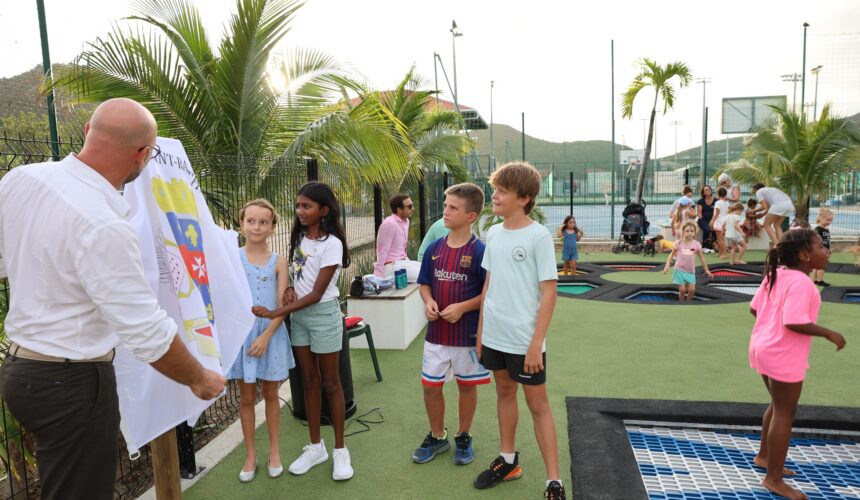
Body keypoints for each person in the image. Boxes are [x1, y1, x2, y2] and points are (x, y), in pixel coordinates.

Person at [0, 98, 225, 500]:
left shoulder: (22, 179)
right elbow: (147, 333)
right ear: (141, 155)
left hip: (21, 370)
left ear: (88, 128)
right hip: (71, 381)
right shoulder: (103, 224)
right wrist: (200, 378)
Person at [474, 162, 565, 500]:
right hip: (494, 336)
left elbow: (549, 292)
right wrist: (481, 332)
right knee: (504, 393)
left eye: (501, 191)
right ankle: (508, 460)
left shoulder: (538, 236)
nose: (494, 195)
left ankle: (553, 481)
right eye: (494, 188)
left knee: (538, 405)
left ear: (524, 198)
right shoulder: (494, 233)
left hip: (526, 341)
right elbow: (489, 285)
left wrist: (535, 344)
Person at [252, 182, 353, 481]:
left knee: (331, 384)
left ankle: (339, 451)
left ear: (324, 210)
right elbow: (299, 274)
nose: (300, 211)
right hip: (301, 319)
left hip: (322, 316)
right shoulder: (299, 237)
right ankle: (315, 447)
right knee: (309, 382)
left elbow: (318, 293)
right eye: (298, 206)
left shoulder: (332, 243)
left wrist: (276, 312)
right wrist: (291, 288)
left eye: (306, 206)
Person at [748, 228, 846, 499]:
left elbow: (754, 308)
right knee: (785, 413)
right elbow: (793, 321)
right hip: (782, 353)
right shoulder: (803, 283)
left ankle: (764, 457)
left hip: (762, 347)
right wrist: (828, 332)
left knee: (776, 405)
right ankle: (773, 479)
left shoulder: (775, 275)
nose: (827, 252)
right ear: (805, 255)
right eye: (821, 247)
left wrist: (770, 322)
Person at [413, 183, 490, 466]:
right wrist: (428, 301)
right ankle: (437, 435)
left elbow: (488, 293)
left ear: (471, 216)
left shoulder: (480, 251)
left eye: (453, 208)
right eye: (445, 205)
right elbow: (424, 284)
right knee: (430, 386)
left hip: (466, 336)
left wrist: (463, 307)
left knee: (466, 386)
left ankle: (464, 435)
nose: (445, 211)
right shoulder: (434, 248)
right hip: (436, 335)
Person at [227, 199, 295, 482]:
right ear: (241, 224)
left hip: (271, 336)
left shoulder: (279, 262)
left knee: (270, 394)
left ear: (272, 227)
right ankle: (251, 454)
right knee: (245, 398)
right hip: (242, 337)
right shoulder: (232, 257)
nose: (256, 226)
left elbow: (282, 305)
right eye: (251, 221)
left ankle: (275, 451)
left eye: (263, 222)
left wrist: (266, 336)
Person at [663, 221, 714, 302]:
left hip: (690, 271)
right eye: (687, 231)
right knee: (682, 290)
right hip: (679, 270)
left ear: (695, 233)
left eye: (692, 231)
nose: (689, 233)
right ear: (683, 232)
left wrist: (707, 270)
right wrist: (667, 265)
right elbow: (671, 254)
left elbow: (702, 258)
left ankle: (688, 303)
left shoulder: (696, 244)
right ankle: (681, 303)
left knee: (692, 290)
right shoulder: (678, 243)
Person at [375, 192, 420, 281]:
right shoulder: (389, 223)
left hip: (402, 262)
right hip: (391, 266)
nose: (413, 209)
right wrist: (377, 274)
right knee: (426, 275)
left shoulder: (406, 221)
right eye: (410, 206)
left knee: (431, 268)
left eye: (412, 205)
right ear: (399, 209)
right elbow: (382, 249)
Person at [752, 183, 795, 247]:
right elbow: (768, 207)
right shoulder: (770, 190)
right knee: (777, 225)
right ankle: (781, 245)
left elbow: (764, 206)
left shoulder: (759, 192)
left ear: (756, 189)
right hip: (789, 205)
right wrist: (763, 214)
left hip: (779, 205)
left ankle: (777, 245)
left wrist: (754, 210)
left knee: (766, 224)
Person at [812, 208, 834, 286]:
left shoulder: (826, 229)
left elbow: (827, 240)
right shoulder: (818, 229)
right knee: (821, 266)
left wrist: (829, 248)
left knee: (817, 266)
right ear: (821, 218)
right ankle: (820, 281)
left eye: (831, 220)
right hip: (819, 251)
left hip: (824, 251)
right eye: (828, 220)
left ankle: (814, 280)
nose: (829, 222)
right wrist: (820, 249)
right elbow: (815, 240)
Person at [696, 185, 717, 250]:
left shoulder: (716, 201)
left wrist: (712, 221)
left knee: (715, 229)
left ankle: (713, 245)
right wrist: (707, 223)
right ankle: (704, 245)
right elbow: (699, 214)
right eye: (706, 190)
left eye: (709, 189)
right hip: (703, 220)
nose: (708, 190)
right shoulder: (700, 201)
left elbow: (716, 213)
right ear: (703, 192)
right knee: (707, 229)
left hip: (713, 219)